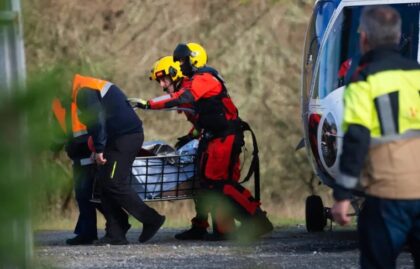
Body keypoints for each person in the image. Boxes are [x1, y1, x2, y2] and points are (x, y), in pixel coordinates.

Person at [132, 42, 273, 241]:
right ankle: (218, 228)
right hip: (215, 136)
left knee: (218, 183)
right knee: (207, 182)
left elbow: (183, 98)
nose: (162, 85)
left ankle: (257, 220)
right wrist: (192, 135)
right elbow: (201, 117)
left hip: (224, 137)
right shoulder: (196, 83)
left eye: (163, 79)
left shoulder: (202, 79)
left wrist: (148, 104)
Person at [331, 5, 420, 268]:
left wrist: (342, 195)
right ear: (398, 36)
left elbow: (356, 140)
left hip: (387, 195)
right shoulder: (416, 75)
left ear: (364, 38)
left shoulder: (363, 81)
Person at [71, 74, 165, 245]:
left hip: (126, 137)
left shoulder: (84, 90)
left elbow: (96, 119)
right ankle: (116, 232)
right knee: (103, 183)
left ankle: (151, 219)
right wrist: (97, 147)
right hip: (117, 138)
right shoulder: (87, 87)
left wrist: (99, 148)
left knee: (114, 182)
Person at [51, 98, 100, 245]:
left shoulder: (82, 96)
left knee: (91, 195)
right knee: (84, 196)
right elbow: (59, 132)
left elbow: (97, 122)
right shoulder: (57, 105)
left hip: (90, 153)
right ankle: (87, 233)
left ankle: (116, 225)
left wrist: (99, 147)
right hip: (78, 155)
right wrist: (54, 147)